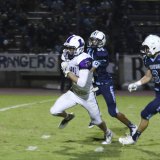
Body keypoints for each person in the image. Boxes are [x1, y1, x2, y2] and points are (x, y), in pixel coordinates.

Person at [50, 34, 113, 144]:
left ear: (78, 49)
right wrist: (64, 65)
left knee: (97, 121)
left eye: (71, 48)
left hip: (87, 95)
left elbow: (82, 83)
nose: (68, 50)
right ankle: (68, 116)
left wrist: (67, 72)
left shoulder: (85, 60)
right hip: (74, 92)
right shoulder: (66, 55)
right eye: (68, 48)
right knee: (54, 111)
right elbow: (64, 61)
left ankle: (108, 132)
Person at [87, 30, 137, 136]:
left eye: (96, 40)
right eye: (92, 40)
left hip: (105, 84)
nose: (93, 42)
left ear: (101, 42)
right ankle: (96, 116)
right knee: (85, 97)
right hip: (97, 83)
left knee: (113, 112)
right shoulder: (90, 49)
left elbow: (92, 68)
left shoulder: (102, 53)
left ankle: (132, 126)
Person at [119, 34, 160, 145]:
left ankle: (134, 138)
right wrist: (136, 84)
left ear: (155, 46)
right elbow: (148, 76)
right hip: (158, 93)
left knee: (145, 113)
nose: (145, 50)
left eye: (147, 47)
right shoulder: (149, 59)